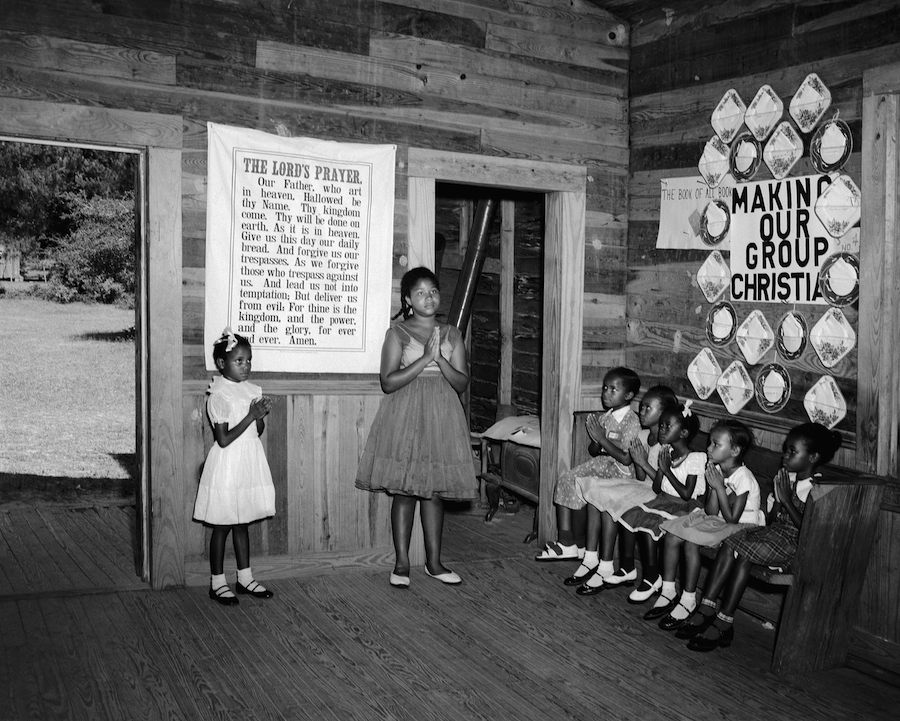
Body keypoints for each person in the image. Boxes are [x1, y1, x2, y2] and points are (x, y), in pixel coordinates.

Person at [356, 267, 477, 588]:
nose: (429, 297)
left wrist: (441, 360)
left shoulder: (452, 333)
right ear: (408, 300)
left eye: (433, 291)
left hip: (442, 416)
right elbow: (388, 382)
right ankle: (401, 564)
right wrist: (425, 359)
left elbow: (461, 383)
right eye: (420, 293)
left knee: (434, 491)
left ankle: (434, 563)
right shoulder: (397, 333)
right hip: (405, 417)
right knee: (405, 491)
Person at [683, 422, 841, 651]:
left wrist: (786, 499)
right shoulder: (786, 479)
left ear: (813, 457)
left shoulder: (816, 488)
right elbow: (774, 519)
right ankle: (708, 607)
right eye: (786, 450)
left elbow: (809, 530)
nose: (785, 456)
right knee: (731, 543)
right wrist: (778, 500)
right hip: (774, 534)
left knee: (745, 551)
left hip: (795, 545)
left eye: (792, 452)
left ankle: (724, 620)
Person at [650, 419, 763, 630]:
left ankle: (688, 600)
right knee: (673, 535)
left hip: (741, 526)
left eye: (716, 444)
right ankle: (668, 591)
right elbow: (711, 511)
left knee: (691, 541)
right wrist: (714, 486)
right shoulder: (716, 468)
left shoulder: (744, 478)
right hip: (719, 520)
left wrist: (719, 488)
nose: (709, 448)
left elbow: (732, 519)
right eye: (710, 442)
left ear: (735, 451)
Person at [193, 328, 276, 606]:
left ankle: (245, 578)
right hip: (228, 465)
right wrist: (251, 415)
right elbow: (224, 439)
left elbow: (257, 431)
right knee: (223, 524)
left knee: (243, 523)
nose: (246, 366)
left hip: (248, 463)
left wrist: (259, 415)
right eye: (239, 361)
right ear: (221, 363)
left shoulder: (252, 390)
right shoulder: (218, 394)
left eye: (248, 360)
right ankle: (217, 582)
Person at [534, 367, 642, 565]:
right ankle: (567, 542)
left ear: (628, 395)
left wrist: (602, 439)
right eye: (605, 388)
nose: (606, 393)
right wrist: (596, 441)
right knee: (567, 480)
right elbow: (593, 450)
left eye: (613, 389)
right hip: (601, 465)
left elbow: (627, 459)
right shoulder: (605, 417)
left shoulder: (632, 421)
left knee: (585, 487)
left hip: (620, 472)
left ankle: (581, 545)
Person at [621, 400, 705, 603]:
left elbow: (687, 493)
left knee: (650, 527)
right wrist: (662, 468)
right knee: (631, 518)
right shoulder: (666, 452)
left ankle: (657, 581)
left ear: (683, 433)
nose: (662, 430)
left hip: (685, 507)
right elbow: (657, 488)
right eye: (661, 425)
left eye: (668, 426)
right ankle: (651, 576)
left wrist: (666, 470)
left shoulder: (694, 458)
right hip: (663, 501)